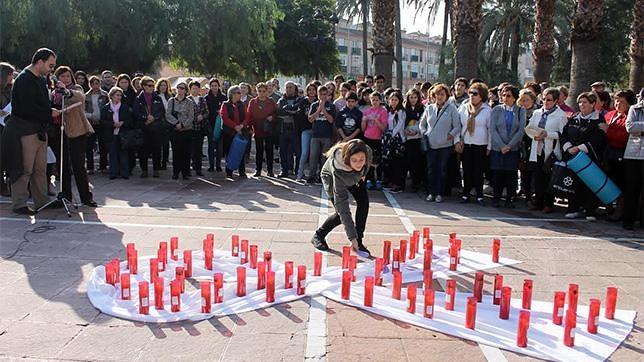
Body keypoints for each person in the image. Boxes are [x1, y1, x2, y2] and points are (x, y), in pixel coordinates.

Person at [1, 49, 61, 214]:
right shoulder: (24, 80)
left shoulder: (40, 80)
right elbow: (27, 108)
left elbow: (41, 104)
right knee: (24, 168)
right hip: (24, 130)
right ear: (40, 62)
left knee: (40, 169)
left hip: (39, 130)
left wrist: (50, 111)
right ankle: (19, 203)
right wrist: (49, 113)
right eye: (50, 65)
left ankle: (42, 201)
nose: (51, 69)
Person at [310, 139, 372, 255]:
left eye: (361, 160)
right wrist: (352, 237)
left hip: (354, 176)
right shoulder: (338, 168)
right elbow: (343, 207)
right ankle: (318, 235)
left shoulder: (367, 153)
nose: (359, 163)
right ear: (348, 158)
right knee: (340, 214)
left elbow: (367, 164)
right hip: (332, 177)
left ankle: (359, 241)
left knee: (364, 203)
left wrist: (362, 174)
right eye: (354, 160)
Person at [50, 66, 96, 207]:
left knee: (78, 165)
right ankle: (66, 196)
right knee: (62, 165)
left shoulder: (76, 89)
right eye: (62, 76)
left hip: (76, 131)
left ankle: (86, 197)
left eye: (67, 76)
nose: (65, 79)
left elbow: (80, 97)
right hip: (59, 131)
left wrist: (66, 91)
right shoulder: (53, 92)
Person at [561, 92, 607, 221]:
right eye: (580, 102)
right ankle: (573, 208)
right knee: (573, 183)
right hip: (572, 157)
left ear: (593, 104)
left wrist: (581, 148)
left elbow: (598, 138)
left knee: (589, 184)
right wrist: (568, 147)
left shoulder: (599, 119)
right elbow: (564, 134)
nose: (582, 105)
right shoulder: (574, 118)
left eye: (585, 102)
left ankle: (590, 211)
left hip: (589, 158)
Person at [525, 87, 567, 213]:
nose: (546, 102)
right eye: (544, 99)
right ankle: (538, 201)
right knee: (537, 177)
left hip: (551, 151)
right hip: (537, 148)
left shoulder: (560, 115)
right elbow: (529, 127)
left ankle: (549, 203)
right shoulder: (537, 112)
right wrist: (535, 135)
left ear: (555, 101)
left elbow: (562, 134)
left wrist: (547, 134)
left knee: (549, 177)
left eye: (549, 100)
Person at [420, 83, 461, 202]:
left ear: (447, 96)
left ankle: (439, 193)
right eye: (437, 94)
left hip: (445, 145)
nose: (439, 97)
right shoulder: (429, 108)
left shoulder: (452, 108)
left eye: (442, 94)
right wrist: (424, 133)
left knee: (442, 170)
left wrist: (450, 135)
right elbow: (422, 124)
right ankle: (430, 192)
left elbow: (457, 126)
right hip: (431, 145)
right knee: (431, 169)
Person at [489, 85, 526, 208]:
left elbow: (520, 130)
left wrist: (509, 146)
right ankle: (496, 198)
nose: (505, 98)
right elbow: (492, 129)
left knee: (511, 175)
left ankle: (509, 198)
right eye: (503, 95)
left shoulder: (521, 110)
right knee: (497, 174)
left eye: (508, 95)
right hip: (498, 148)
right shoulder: (496, 109)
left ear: (514, 98)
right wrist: (501, 145)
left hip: (512, 148)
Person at [603, 90, 636, 222]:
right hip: (608, 153)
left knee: (620, 183)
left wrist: (607, 131)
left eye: (621, 101)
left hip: (621, 153)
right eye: (616, 100)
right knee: (608, 180)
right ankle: (608, 207)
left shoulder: (630, 116)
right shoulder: (610, 114)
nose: (618, 103)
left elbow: (625, 136)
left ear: (629, 103)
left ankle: (619, 211)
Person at [458, 82, 492, 205]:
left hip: (481, 145)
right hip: (466, 144)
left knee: (478, 171)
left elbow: (490, 130)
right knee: (466, 170)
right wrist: (458, 140)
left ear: (481, 96)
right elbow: (458, 125)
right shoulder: (463, 107)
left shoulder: (487, 110)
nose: (472, 96)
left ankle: (479, 195)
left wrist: (489, 146)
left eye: (475, 93)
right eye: (470, 93)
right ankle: (465, 194)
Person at [134, 76, 166, 178]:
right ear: (143, 86)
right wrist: (145, 118)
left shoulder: (157, 98)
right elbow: (136, 113)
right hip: (143, 128)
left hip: (156, 127)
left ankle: (156, 169)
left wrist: (154, 118)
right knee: (143, 150)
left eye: (153, 86)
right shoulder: (138, 99)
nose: (152, 88)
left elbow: (161, 112)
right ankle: (144, 170)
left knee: (157, 149)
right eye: (149, 86)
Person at [622, 88, 644, 230]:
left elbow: (636, 127)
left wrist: (640, 128)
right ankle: (628, 220)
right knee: (631, 189)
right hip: (633, 155)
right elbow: (630, 126)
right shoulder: (635, 109)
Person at [101, 87, 133, 179]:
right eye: (117, 95)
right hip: (111, 134)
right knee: (112, 153)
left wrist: (123, 123)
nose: (119, 97)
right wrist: (112, 124)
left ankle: (124, 173)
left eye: (120, 95)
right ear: (111, 96)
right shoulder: (106, 108)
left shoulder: (124, 107)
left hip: (122, 133)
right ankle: (113, 173)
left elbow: (130, 120)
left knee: (123, 153)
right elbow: (103, 121)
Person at [247, 82, 277, 177]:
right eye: (259, 91)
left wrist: (272, 117)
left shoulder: (271, 101)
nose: (262, 93)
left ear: (267, 91)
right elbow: (249, 115)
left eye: (264, 91)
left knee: (269, 150)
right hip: (258, 128)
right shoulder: (253, 102)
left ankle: (270, 170)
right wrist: (249, 127)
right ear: (257, 91)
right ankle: (258, 170)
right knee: (259, 150)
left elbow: (277, 112)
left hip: (268, 128)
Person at [307, 86, 336, 184]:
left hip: (327, 135)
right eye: (321, 94)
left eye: (325, 94)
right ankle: (312, 176)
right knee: (313, 156)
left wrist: (324, 110)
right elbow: (310, 119)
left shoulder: (331, 106)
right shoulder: (314, 105)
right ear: (318, 95)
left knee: (324, 157)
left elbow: (331, 120)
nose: (323, 97)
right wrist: (319, 109)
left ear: (327, 95)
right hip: (315, 135)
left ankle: (322, 176)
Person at [166, 81, 194, 180]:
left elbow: (191, 117)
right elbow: (168, 114)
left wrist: (183, 125)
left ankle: (185, 172)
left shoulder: (189, 102)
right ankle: (176, 172)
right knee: (176, 152)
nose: (180, 90)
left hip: (186, 130)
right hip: (175, 130)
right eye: (178, 87)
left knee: (186, 153)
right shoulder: (171, 101)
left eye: (182, 88)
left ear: (186, 90)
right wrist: (176, 123)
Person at [361, 91, 388, 190]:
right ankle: (369, 179)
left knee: (378, 160)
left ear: (380, 100)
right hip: (368, 138)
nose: (375, 102)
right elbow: (363, 129)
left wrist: (376, 120)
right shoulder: (367, 111)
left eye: (377, 100)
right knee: (368, 160)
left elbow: (384, 128)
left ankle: (378, 180)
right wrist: (364, 120)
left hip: (378, 139)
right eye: (373, 100)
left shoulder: (383, 111)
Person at [220, 85, 247, 178]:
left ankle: (242, 171)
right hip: (229, 132)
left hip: (241, 131)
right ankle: (229, 171)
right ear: (232, 94)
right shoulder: (225, 104)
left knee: (241, 151)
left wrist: (242, 125)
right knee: (229, 151)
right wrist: (235, 126)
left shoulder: (242, 104)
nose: (240, 94)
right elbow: (225, 117)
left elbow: (247, 117)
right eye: (238, 93)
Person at [402, 89, 426, 192]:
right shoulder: (404, 109)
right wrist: (405, 131)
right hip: (406, 139)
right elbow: (402, 122)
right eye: (411, 97)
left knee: (416, 162)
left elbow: (423, 122)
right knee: (406, 161)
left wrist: (417, 132)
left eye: (415, 97)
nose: (413, 99)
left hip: (417, 138)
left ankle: (416, 183)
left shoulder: (422, 109)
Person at [517, 89, 539, 204]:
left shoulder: (538, 112)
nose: (525, 103)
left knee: (532, 170)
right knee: (523, 170)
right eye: (523, 100)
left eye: (527, 100)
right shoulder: (519, 111)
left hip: (533, 143)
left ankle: (532, 194)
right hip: (522, 144)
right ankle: (526, 194)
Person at [382, 91, 407, 193]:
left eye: (395, 100)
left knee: (398, 163)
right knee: (390, 161)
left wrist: (392, 134)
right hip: (389, 139)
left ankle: (398, 184)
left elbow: (400, 125)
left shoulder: (401, 111)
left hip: (398, 139)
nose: (393, 102)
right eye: (391, 100)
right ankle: (391, 182)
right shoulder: (389, 111)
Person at [84, 76, 108, 175]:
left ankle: (103, 166)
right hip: (91, 123)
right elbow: (83, 110)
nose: (95, 86)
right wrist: (91, 116)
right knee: (89, 145)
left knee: (103, 145)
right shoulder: (86, 96)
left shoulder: (105, 95)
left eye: (97, 83)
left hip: (102, 123)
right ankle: (90, 167)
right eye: (93, 84)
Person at [295, 82, 317, 183]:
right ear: (307, 91)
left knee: (314, 154)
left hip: (317, 131)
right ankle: (299, 174)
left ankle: (314, 175)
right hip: (306, 131)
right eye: (310, 90)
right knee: (304, 153)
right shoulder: (303, 102)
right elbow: (300, 118)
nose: (312, 92)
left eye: (313, 89)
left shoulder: (318, 102)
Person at [187, 81, 209, 177]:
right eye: (193, 88)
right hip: (190, 127)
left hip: (200, 127)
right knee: (190, 149)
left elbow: (207, 112)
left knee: (198, 149)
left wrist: (202, 116)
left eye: (197, 88)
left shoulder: (202, 100)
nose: (195, 90)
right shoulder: (187, 100)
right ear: (190, 89)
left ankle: (198, 168)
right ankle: (189, 168)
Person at [0, 62, 16, 197]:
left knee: (11, 156)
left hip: (11, 125)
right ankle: (2, 185)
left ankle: (12, 183)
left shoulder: (13, 89)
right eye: (10, 74)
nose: (12, 77)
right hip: (0, 126)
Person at [205, 78, 227, 172]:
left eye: (216, 85)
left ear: (219, 86)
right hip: (210, 124)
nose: (214, 87)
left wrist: (221, 112)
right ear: (210, 87)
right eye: (212, 85)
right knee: (211, 145)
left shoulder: (223, 97)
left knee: (219, 146)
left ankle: (218, 165)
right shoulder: (206, 98)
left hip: (220, 125)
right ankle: (211, 165)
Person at [155, 78, 173, 170]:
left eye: (165, 85)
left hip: (168, 123)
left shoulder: (170, 96)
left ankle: (164, 162)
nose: (163, 87)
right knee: (158, 144)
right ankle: (157, 163)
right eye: (161, 85)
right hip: (158, 122)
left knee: (166, 144)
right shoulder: (155, 96)